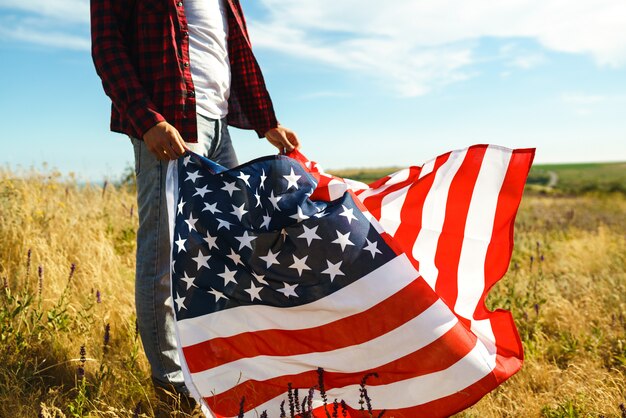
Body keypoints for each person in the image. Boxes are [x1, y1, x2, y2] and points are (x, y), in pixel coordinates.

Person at [90, 0, 300, 413]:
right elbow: (108, 50)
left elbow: (234, 50)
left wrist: (265, 122)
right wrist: (146, 119)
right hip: (173, 123)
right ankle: (170, 388)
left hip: (219, 123)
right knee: (164, 252)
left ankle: (225, 364)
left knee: (241, 245)